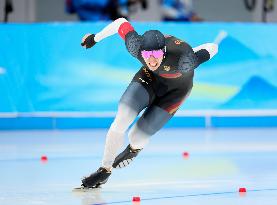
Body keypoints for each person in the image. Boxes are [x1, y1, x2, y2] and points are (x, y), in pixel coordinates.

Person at [80, 18, 218, 188]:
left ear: (164, 52)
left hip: (175, 93)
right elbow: (120, 23)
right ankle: (104, 169)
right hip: (149, 79)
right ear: (141, 51)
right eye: (147, 55)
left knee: (137, 136)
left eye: (157, 55)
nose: (152, 61)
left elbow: (212, 47)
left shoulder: (184, 59)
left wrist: (194, 54)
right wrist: (95, 38)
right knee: (123, 116)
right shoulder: (136, 46)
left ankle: (134, 149)